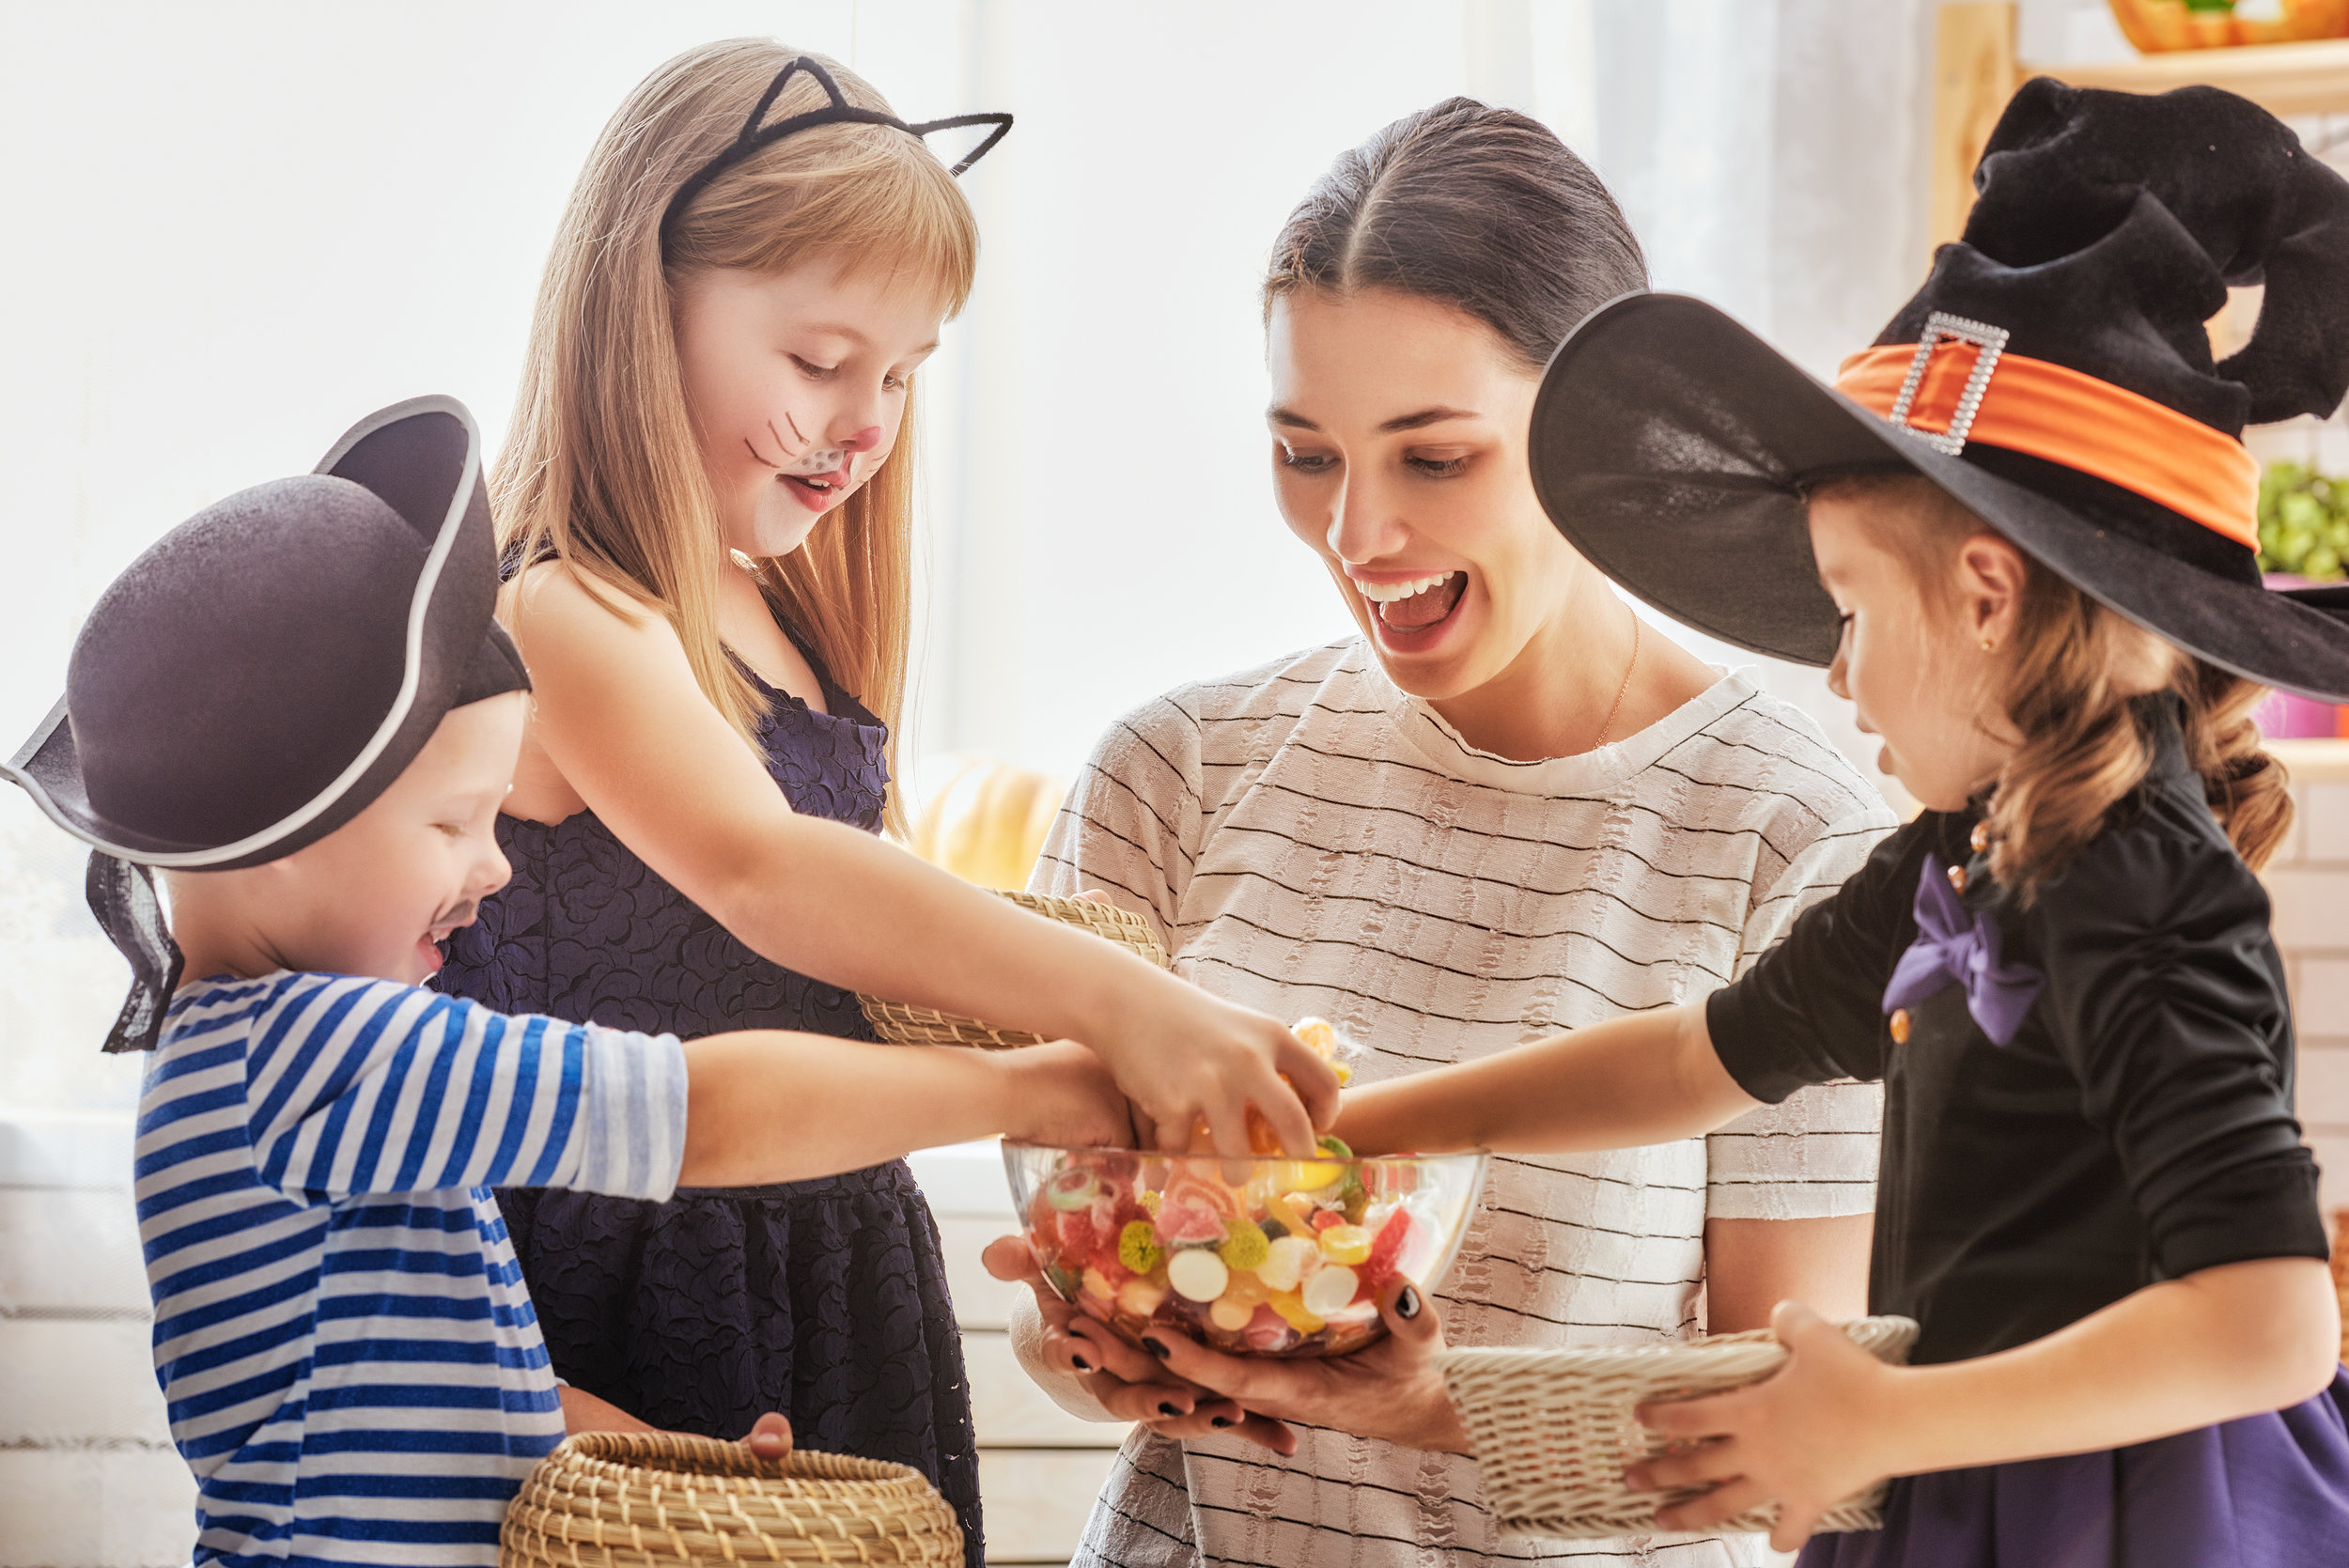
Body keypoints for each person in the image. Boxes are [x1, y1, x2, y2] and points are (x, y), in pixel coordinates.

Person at [1327, 79, 2349, 1565]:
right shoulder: (1972, 851)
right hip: (1953, 1473)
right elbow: (1698, 1054)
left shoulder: (2146, 890)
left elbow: (2272, 1325)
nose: (1835, 663)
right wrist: (1364, 1130)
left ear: (1988, 599)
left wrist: (1882, 1423)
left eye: (1855, 608)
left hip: (2130, 1515)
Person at [429, 41, 1338, 1566]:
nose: (864, 422)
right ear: (639, 299)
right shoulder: (570, 608)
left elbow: (850, 946)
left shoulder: (775, 614)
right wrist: (1123, 1007)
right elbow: (767, 869)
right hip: (638, 1278)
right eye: (818, 358)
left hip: (840, 1269)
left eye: (906, 375)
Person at [991, 98, 1895, 1567]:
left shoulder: (1793, 837)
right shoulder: (1174, 772)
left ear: (1617, 436)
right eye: (1305, 454)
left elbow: (1802, 1458)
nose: (1357, 534)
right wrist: (1090, 1348)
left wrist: (1437, 1404)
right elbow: (1060, 1285)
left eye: (1435, 457)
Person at [0, 398, 1131, 1566]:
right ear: (284, 835)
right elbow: (704, 1112)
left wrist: (651, 1458)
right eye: (451, 821)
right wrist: (1031, 1087)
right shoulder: (312, 1049)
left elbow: (450, 1382)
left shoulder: (259, 1056)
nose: (493, 865)